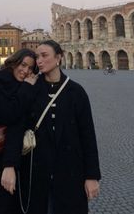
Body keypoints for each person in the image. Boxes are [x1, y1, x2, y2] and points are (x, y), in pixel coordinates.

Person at [20, 40, 101, 214]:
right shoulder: (31, 89)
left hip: (70, 173)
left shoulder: (76, 92)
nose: (39, 61)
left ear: (58, 58)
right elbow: (17, 122)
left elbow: (88, 136)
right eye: (37, 57)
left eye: (44, 55)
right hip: (38, 174)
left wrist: (92, 176)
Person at [0, 48, 37, 214]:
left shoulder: (23, 85)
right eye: (23, 65)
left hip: (16, 153)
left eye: (30, 68)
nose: (25, 71)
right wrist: (26, 88)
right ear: (14, 62)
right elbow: (10, 114)